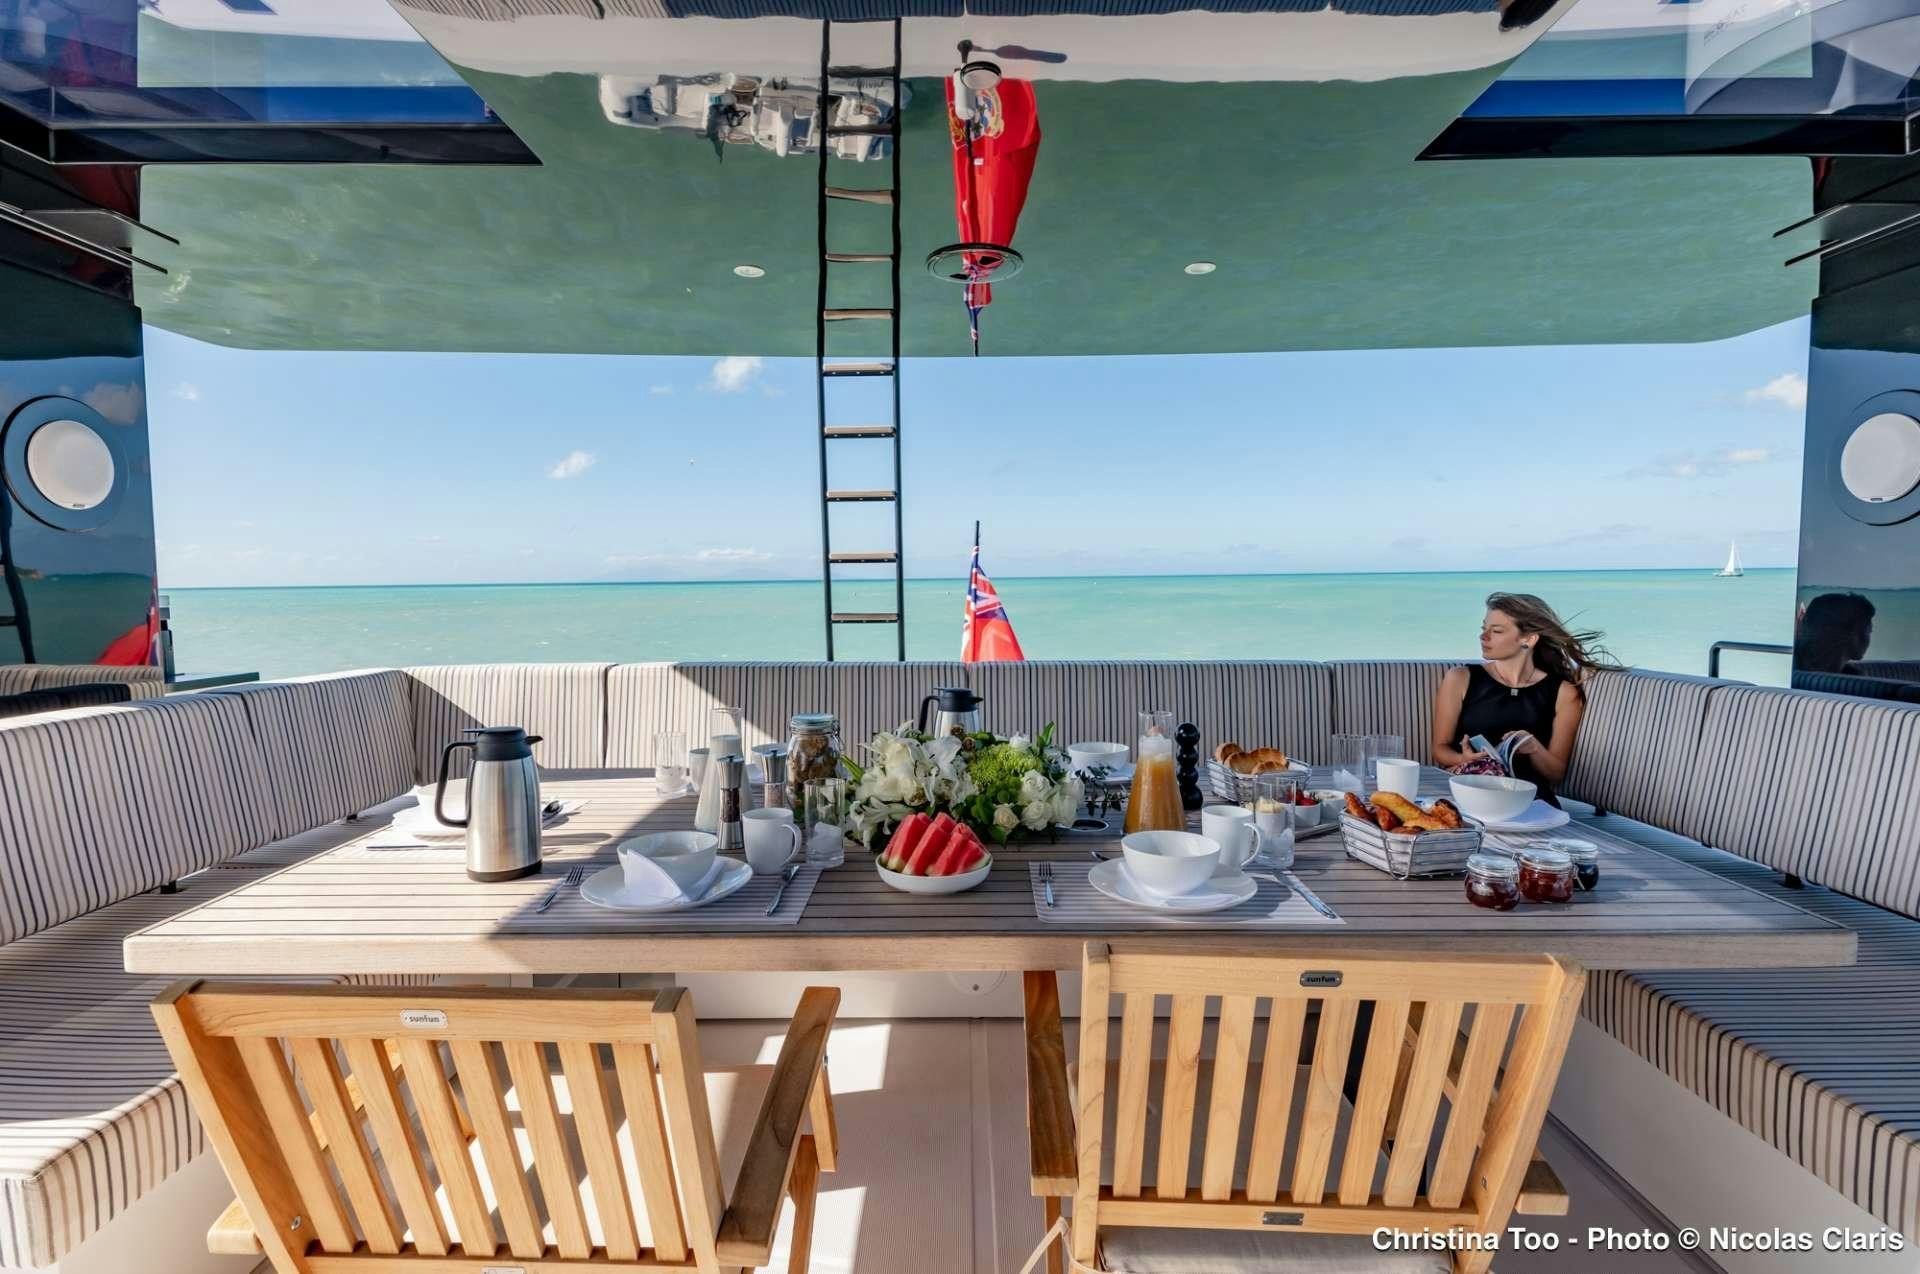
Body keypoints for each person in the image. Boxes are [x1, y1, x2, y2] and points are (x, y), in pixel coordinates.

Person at [1431, 593, 1619, 804]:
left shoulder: (1564, 692)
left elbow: (1556, 774)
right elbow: (1440, 748)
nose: (1484, 637)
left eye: (1497, 631)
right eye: (1484, 628)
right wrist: (1462, 758)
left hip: (1529, 800)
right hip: (1470, 791)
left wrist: (1534, 748)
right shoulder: (1460, 678)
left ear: (1528, 639)